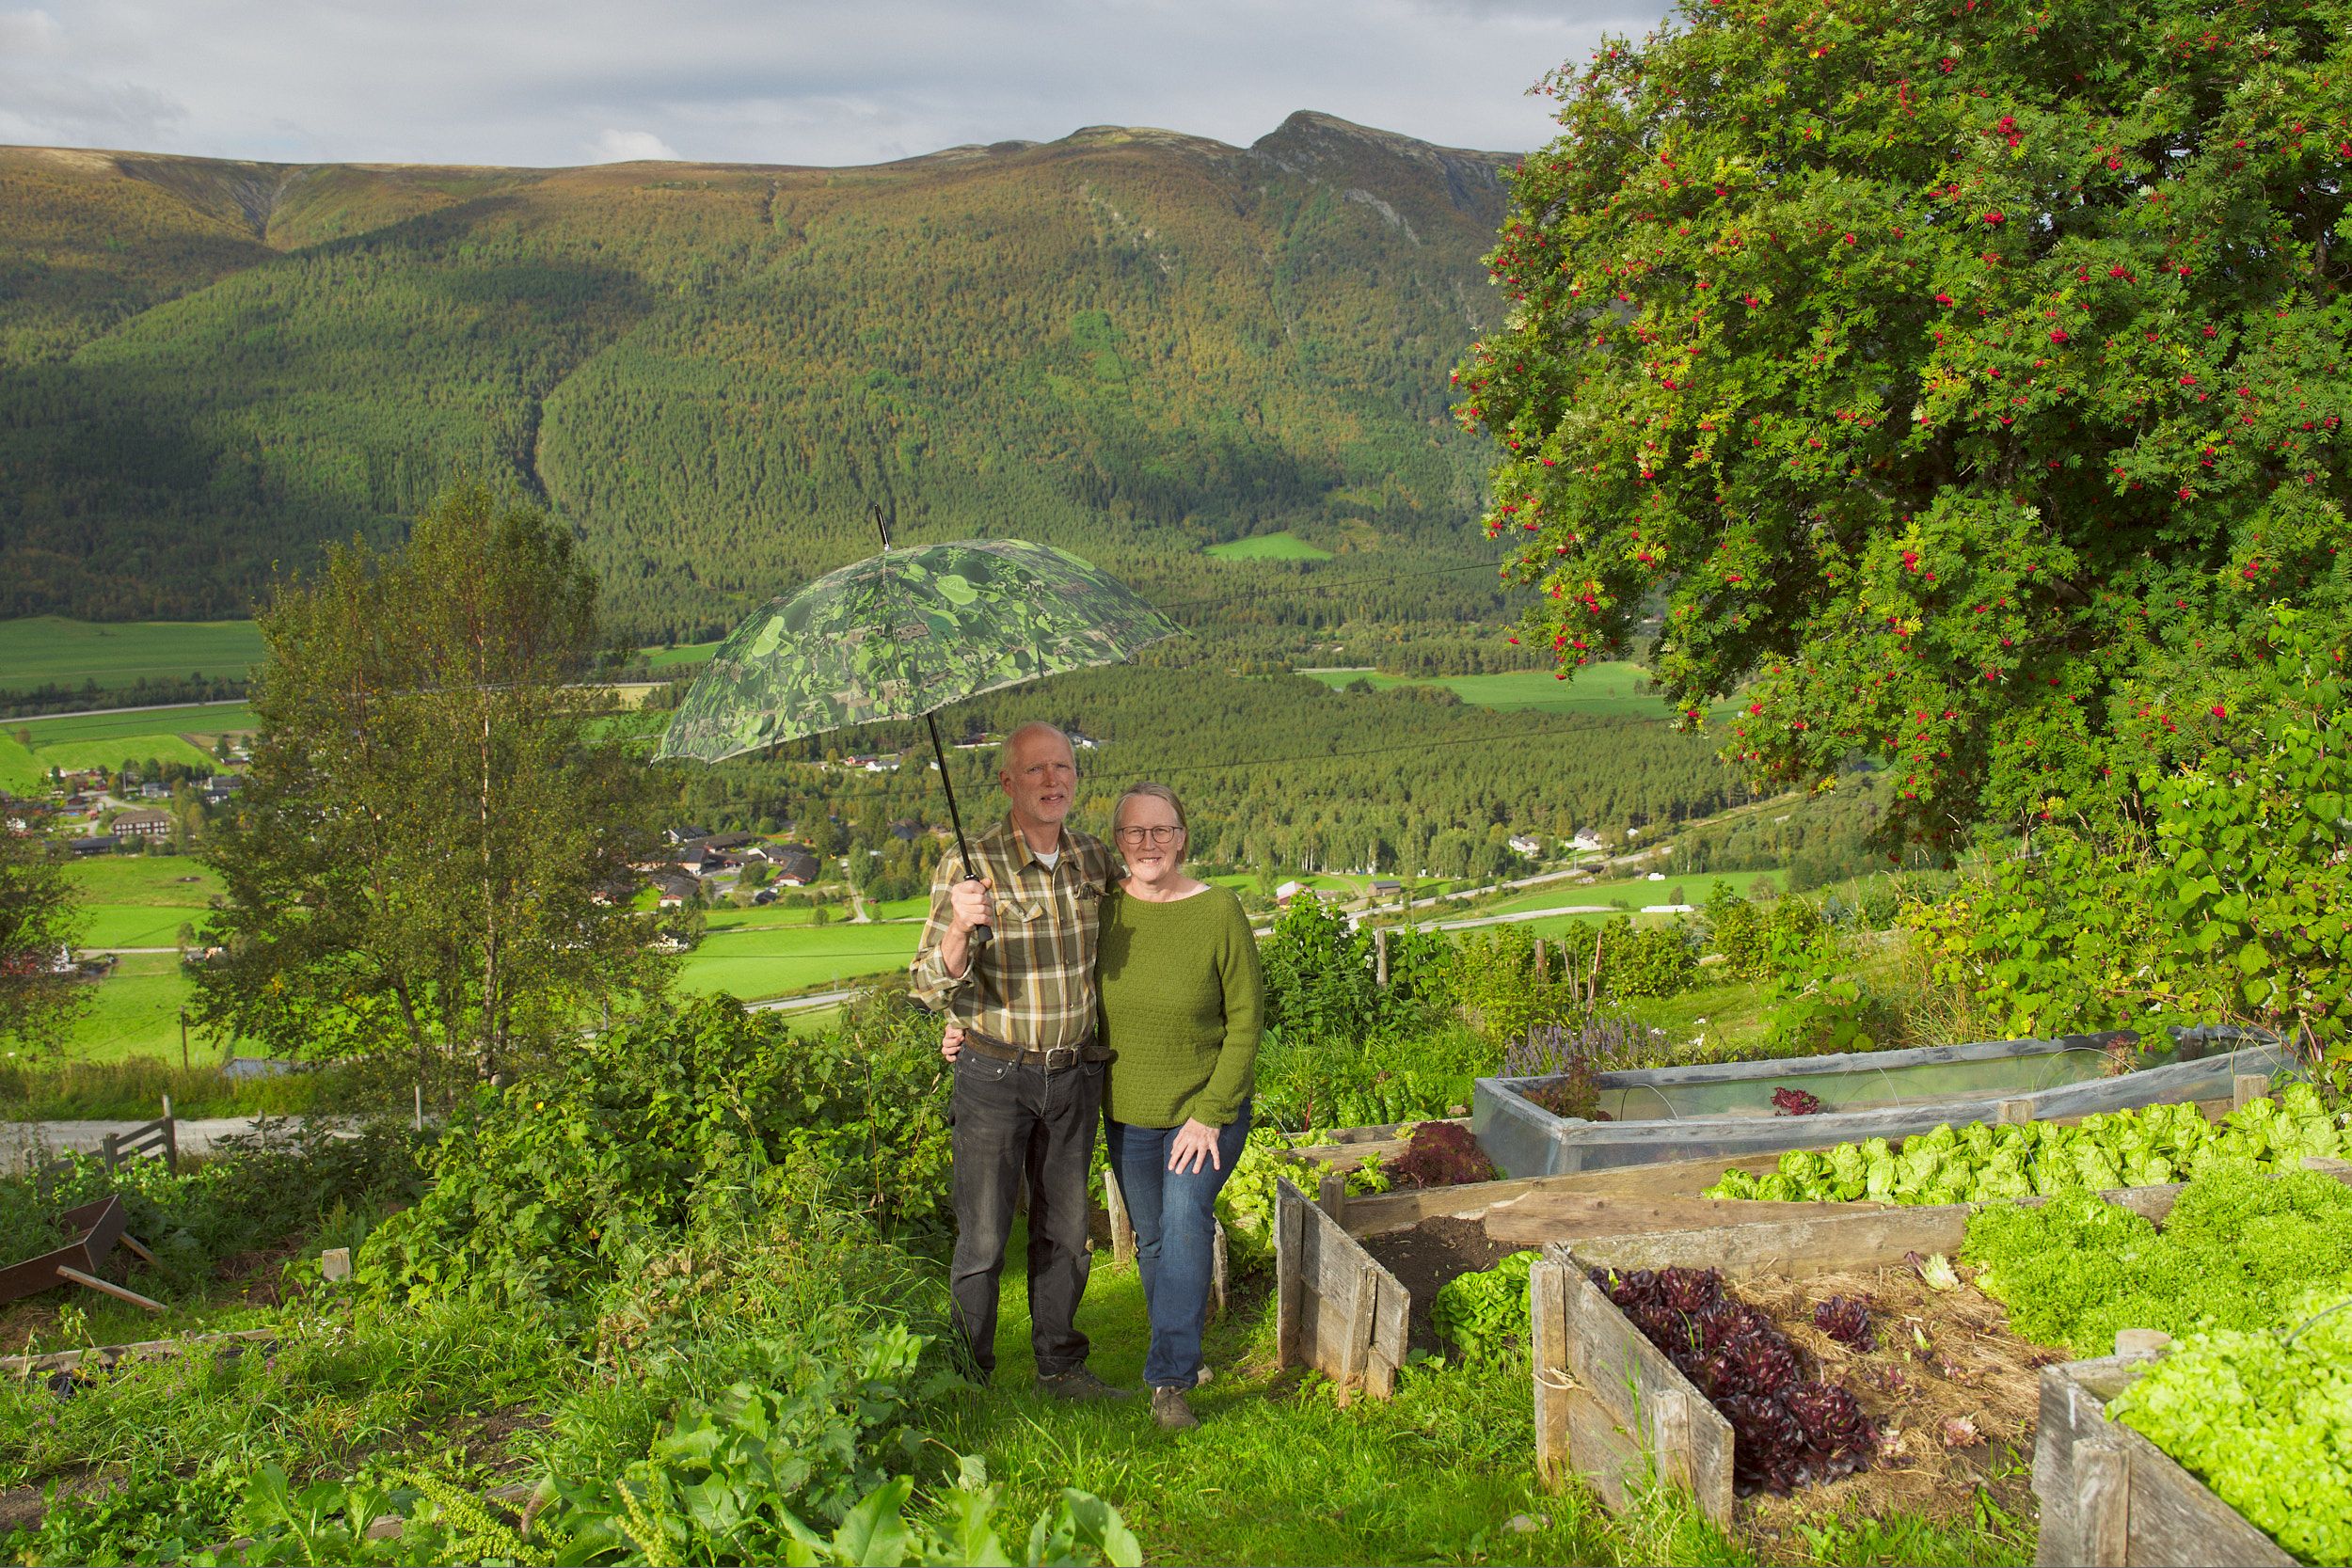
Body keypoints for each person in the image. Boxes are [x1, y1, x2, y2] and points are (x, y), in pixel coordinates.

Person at [909, 721, 1126, 1401]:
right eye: (1036, 769)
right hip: (994, 1076)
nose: (1052, 780)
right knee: (983, 1239)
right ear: (1008, 782)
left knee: (1066, 1232)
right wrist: (958, 925)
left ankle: (1060, 1367)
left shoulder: (1093, 859)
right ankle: (966, 1378)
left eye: (1063, 767)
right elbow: (926, 983)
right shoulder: (969, 864)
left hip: (1073, 1074)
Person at [1094, 782, 1262, 1430]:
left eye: (1161, 830)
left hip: (1207, 1106)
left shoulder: (1219, 910)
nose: (1149, 843)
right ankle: (1179, 1349)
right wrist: (966, 1023)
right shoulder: (1103, 911)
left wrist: (1211, 1111)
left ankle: (1169, 1380)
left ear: (1182, 837)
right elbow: (1045, 975)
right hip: (1129, 1109)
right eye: (1134, 831)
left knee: (1187, 1215)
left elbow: (1246, 1020)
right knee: (1155, 1239)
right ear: (1118, 841)